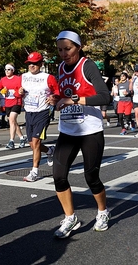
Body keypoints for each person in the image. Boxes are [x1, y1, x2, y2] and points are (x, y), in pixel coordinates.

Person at [53, 29, 111, 239]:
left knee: (91, 177)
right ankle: (70, 218)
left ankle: (103, 212)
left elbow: (105, 97)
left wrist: (74, 100)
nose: (64, 54)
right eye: (60, 50)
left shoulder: (87, 65)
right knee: (58, 176)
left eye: (67, 49)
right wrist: (57, 100)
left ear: (78, 46)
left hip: (90, 130)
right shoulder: (60, 67)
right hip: (68, 129)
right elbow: (64, 94)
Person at [19, 52, 59, 182]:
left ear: (41, 64)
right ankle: (49, 151)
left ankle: (34, 172)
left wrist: (53, 97)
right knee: (32, 145)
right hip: (29, 112)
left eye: (35, 63)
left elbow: (57, 91)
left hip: (43, 112)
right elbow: (17, 92)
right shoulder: (24, 76)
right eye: (30, 63)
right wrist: (18, 93)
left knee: (36, 142)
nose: (32, 66)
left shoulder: (48, 77)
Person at [0, 63, 27, 149]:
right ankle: (22, 138)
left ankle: (11, 141)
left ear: (13, 70)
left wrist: (18, 92)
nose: (7, 71)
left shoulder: (18, 79)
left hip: (16, 102)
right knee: (13, 121)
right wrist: (3, 91)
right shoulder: (2, 80)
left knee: (11, 119)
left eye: (9, 69)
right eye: (5, 69)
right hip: (8, 103)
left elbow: (23, 90)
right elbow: (0, 89)